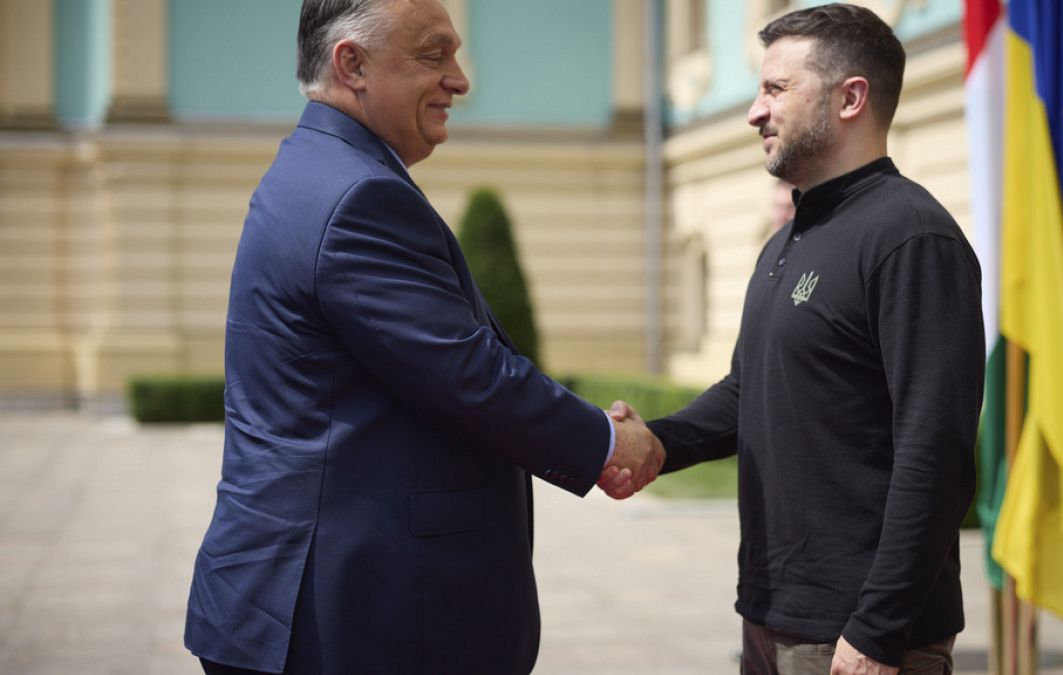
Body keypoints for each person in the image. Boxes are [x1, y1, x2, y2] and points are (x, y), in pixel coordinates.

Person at [183, 1, 662, 673]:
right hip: (340, 619)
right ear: (352, 64)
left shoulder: (318, 170)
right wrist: (608, 441)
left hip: (301, 602)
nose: (460, 80)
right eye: (433, 56)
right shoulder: (358, 196)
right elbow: (469, 376)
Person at [614, 5, 984, 674]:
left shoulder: (911, 237)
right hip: (770, 612)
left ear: (851, 98)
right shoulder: (786, 241)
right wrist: (657, 443)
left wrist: (877, 628)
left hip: (859, 635)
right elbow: (745, 391)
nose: (754, 111)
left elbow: (937, 450)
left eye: (775, 89)